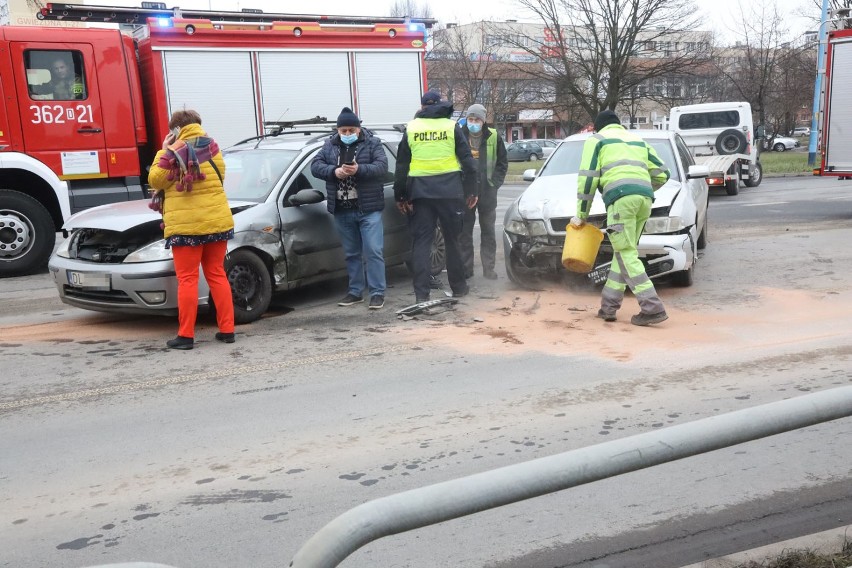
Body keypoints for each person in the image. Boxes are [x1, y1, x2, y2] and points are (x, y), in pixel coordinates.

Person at [573, 109, 671, 326]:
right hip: (645, 200)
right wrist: (641, 187)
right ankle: (608, 306)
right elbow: (663, 174)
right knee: (624, 252)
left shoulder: (596, 140)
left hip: (620, 202)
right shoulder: (637, 140)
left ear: (599, 127)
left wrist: (581, 214)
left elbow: (588, 179)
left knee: (626, 253)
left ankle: (652, 307)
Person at [148, 110, 236, 349]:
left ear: (175, 130)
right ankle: (227, 330)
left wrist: (162, 150)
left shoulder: (173, 153)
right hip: (217, 222)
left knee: (187, 279)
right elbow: (220, 178)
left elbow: (156, 180)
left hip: (186, 227)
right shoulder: (214, 149)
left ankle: (186, 335)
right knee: (217, 274)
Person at [394, 90, 479, 303]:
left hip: (420, 192)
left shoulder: (411, 128)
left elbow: (402, 165)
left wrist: (400, 196)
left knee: (422, 242)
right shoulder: (451, 127)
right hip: (450, 192)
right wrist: (472, 191)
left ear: (422, 107)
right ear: (440, 105)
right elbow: (468, 162)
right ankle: (458, 287)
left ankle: (421, 294)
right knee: (452, 240)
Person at [311, 107, 389, 309]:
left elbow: (382, 166)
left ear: (358, 128)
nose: (347, 134)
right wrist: (334, 171)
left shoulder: (372, 143)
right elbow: (315, 166)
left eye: (351, 130)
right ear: (338, 130)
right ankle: (355, 291)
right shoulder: (329, 146)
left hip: (368, 208)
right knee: (352, 253)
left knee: (373, 251)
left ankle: (377, 292)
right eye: (343, 130)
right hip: (343, 209)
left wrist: (359, 169)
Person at [458, 104, 508, 280]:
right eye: (470, 119)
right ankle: (466, 269)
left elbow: (502, 163)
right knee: (465, 233)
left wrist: (494, 183)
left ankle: (489, 269)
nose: (473, 123)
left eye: (476, 119)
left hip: (487, 192)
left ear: (483, 120)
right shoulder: (460, 134)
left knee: (488, 232)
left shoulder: (494, 136)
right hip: (466, 192)